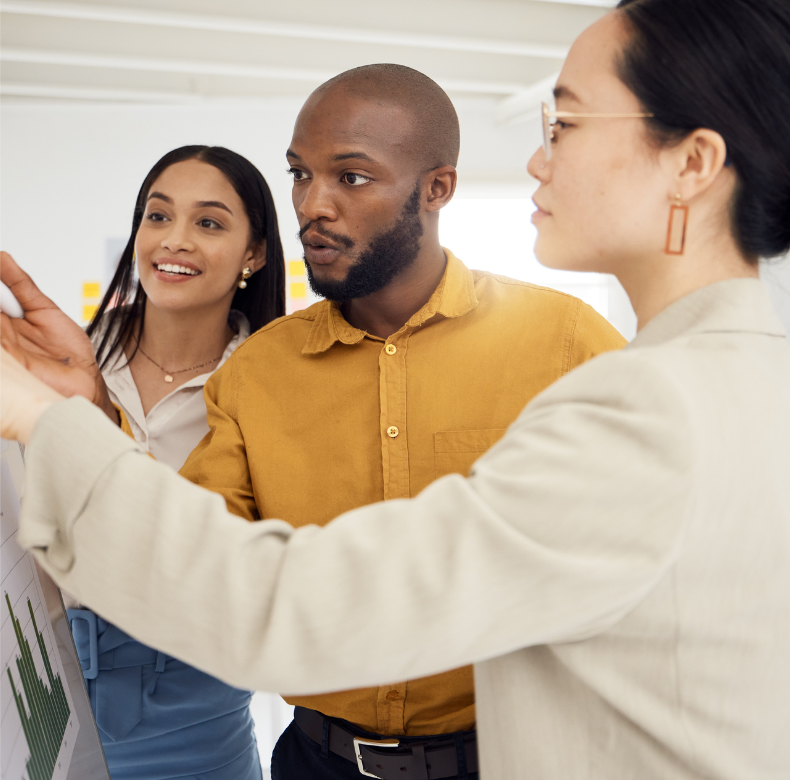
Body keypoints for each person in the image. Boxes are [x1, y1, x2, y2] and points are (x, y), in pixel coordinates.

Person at [4, 0, 790, 776]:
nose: (537, 160)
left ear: (691, 163)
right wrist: (96, 416)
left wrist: (46, 420)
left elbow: (279, 603)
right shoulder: (741, 378)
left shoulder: (638, 399)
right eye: (301, 176)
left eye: (566, 125)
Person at [3, 145, 286, 780]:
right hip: (48, 684)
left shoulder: (273, 389)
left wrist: (94, 415)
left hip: (198, 711)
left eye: (209, 223)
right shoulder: (63, 356)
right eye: (157, 217)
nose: (174, 240)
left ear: (255, 253)